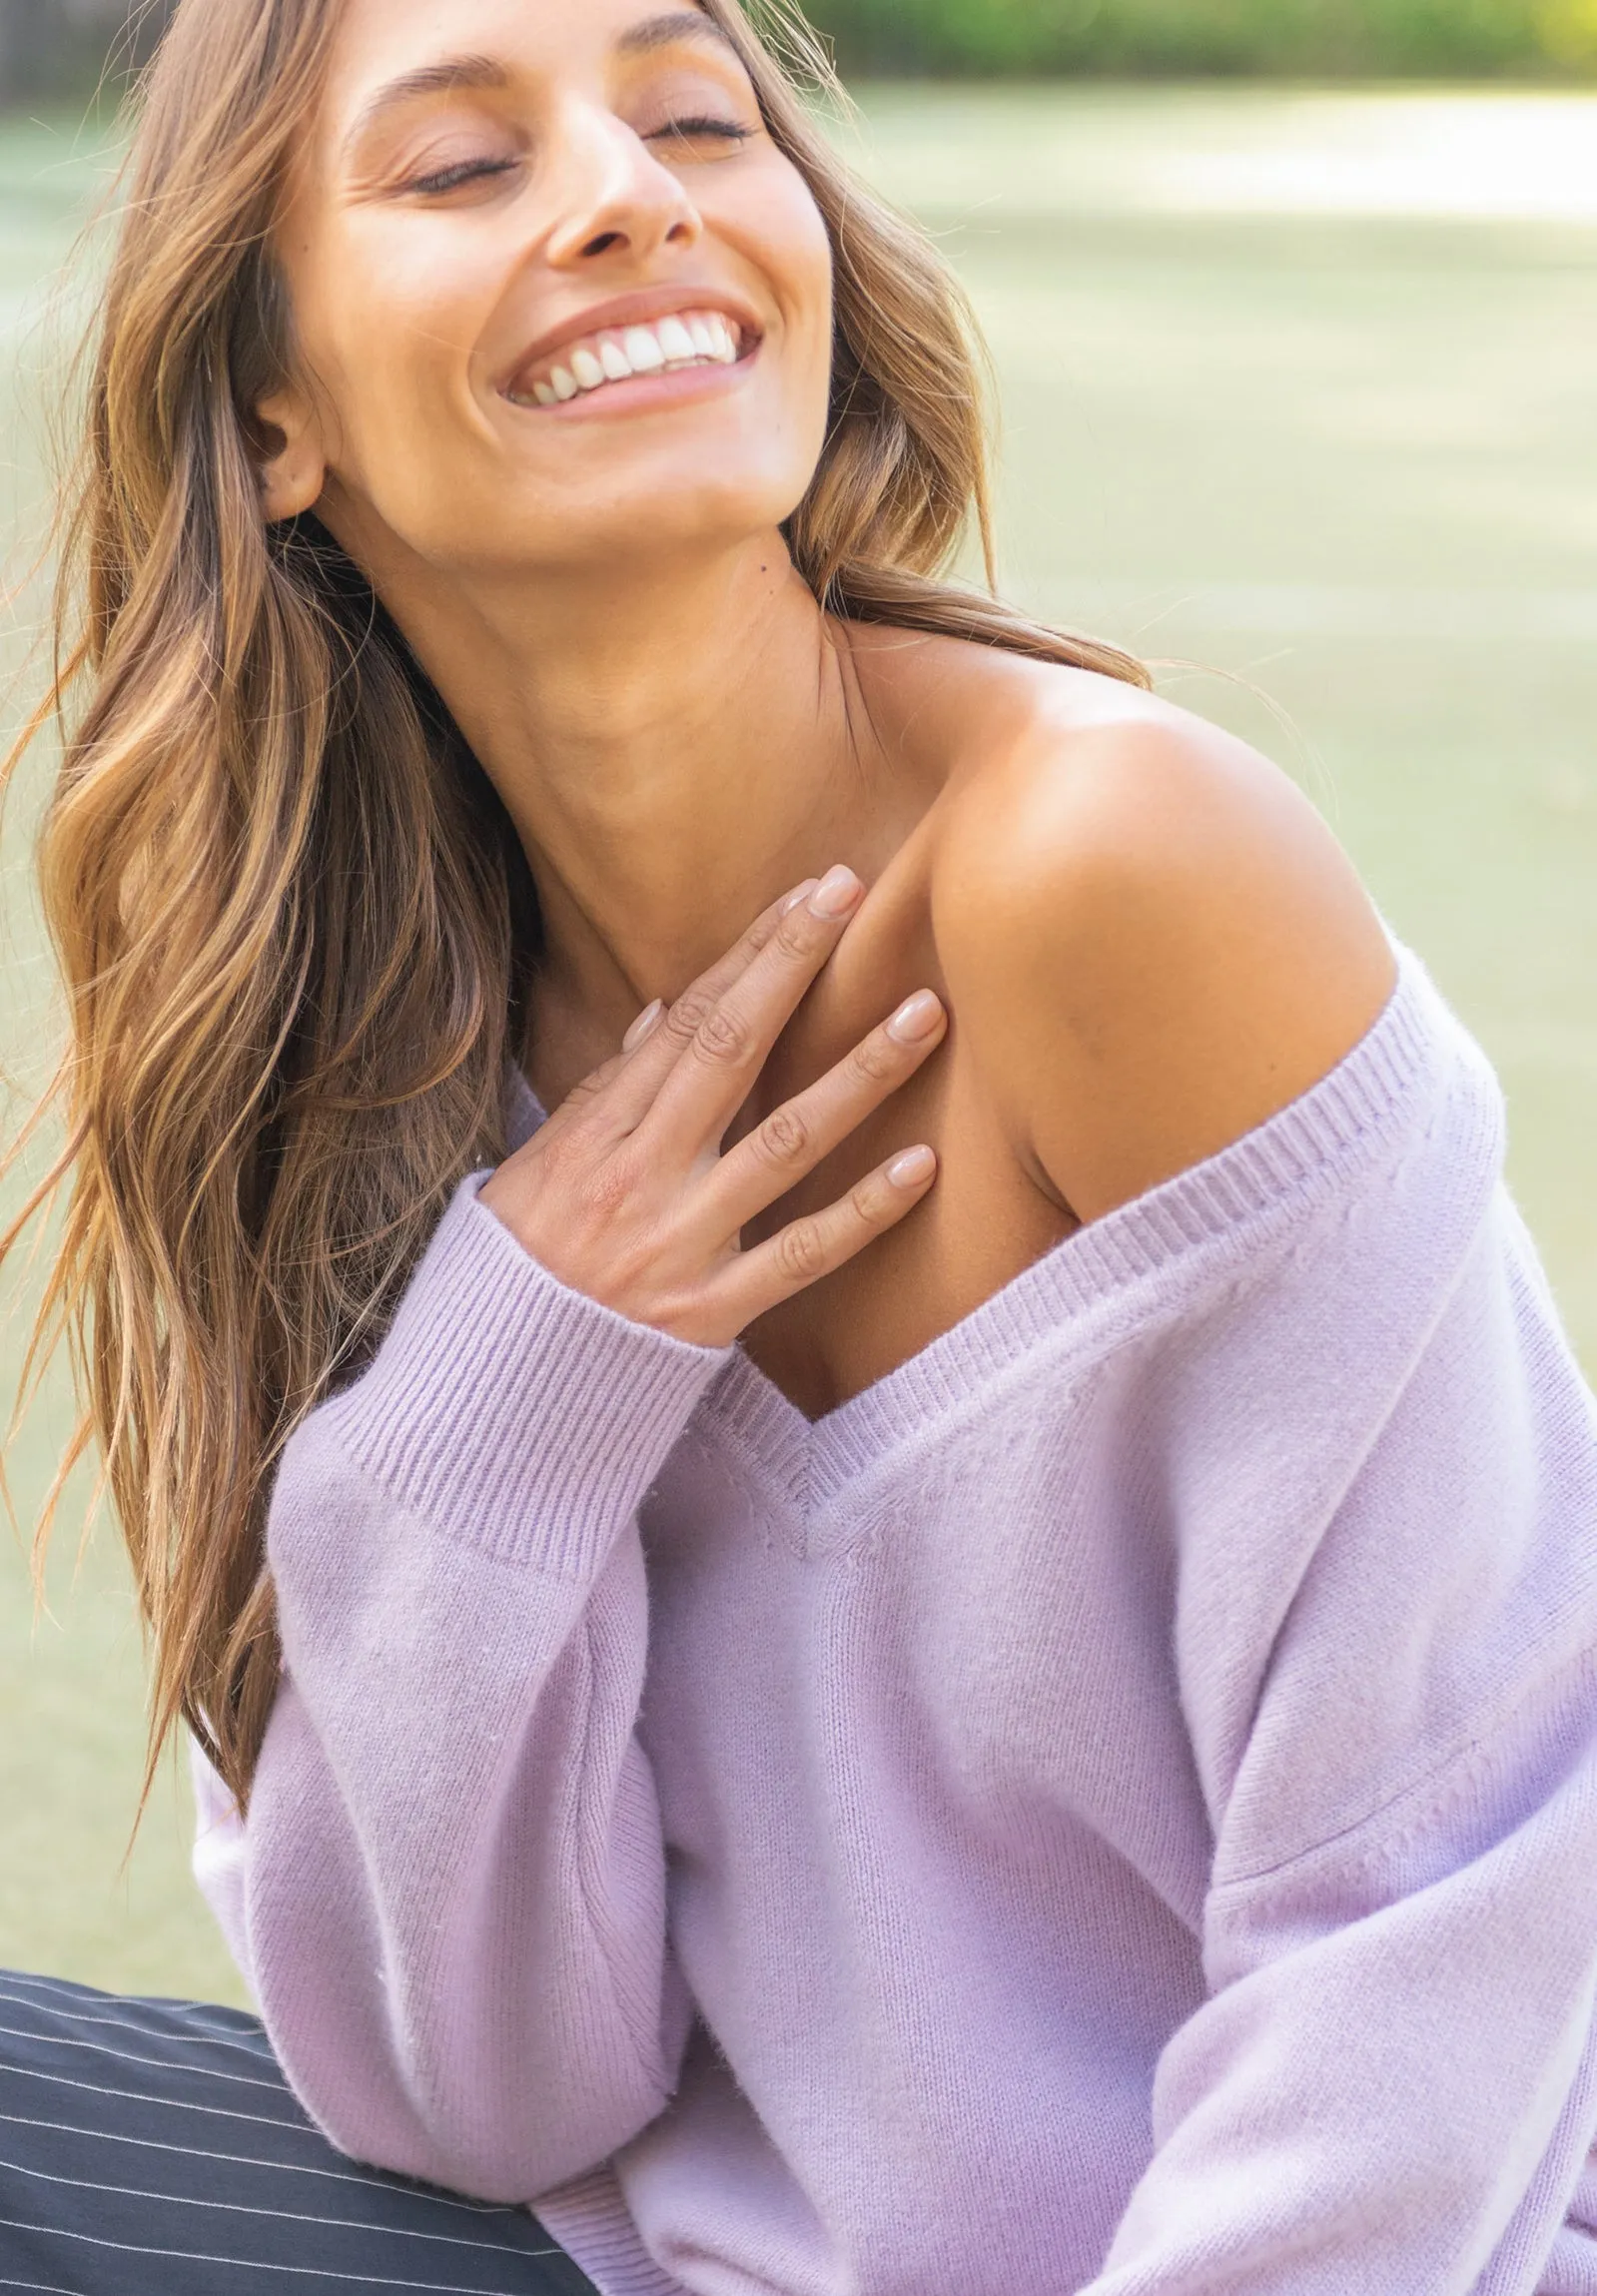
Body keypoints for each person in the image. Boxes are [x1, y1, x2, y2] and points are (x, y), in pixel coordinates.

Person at [4, 0, 1597, 2288]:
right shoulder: (365, 1056)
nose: (630, 190)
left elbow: (1443, 1910)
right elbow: (485, 2101)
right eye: (460, 169)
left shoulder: (1111, 865)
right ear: (276, 422)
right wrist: (505, 1399)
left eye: (689, 116)